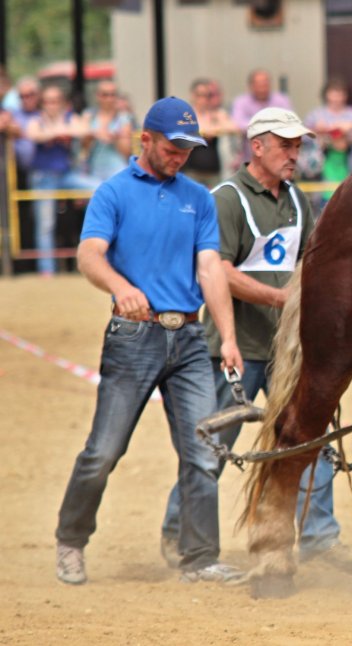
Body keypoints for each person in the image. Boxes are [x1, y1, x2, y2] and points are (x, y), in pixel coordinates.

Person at [159, 106, 352, 574]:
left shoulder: (297, 200)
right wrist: (280, 299)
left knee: (310, 438)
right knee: (213, 446)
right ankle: (178, 530)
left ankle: (319, 536)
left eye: (298, 146)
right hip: (236, 345)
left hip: (289, 350)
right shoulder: (226, 199)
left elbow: (311, 264)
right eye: (285, 146)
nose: (295, 155)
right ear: (257, 147)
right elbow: (219, 270)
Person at [54, 96, 244, 586]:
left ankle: (199, 558)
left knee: (202, 454)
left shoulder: (198, 198)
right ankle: (71, 540)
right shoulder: (113, 193)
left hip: (191, 340)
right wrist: (121, 287)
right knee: (104, 451)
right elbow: (89, 255)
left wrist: (227, 337)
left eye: (187, 149)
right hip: (133, 336)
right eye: (172, 147)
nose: (180, 156)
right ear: (146, 139)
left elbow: (210, 268)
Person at [25, 85, 98, 276]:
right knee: (46, 224)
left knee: (100, 189)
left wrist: (56, 131)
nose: (52, 105)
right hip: (43, 177)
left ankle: (98, 257)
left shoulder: (69, 117)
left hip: (66, 175)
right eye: (48, 101)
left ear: (63, 103)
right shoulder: (36, 119)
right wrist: (59, 132)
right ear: (43, 103)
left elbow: (84, 130)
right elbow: (33, 134)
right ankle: (47, 271)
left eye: (56, 101)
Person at [304, 78, 352, 205]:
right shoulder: (316, 115)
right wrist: (318, 131)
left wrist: (351, 130)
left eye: (340, 94)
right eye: (333, 93)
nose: (336, 98)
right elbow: (304, 137)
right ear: (326, 95)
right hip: (322, 171)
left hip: (349, 169)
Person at [182, 77, 238, 186]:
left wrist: (213, 128)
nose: (203, 100)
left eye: (207, 96)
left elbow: (234, 128)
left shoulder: (216, 114)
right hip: (191, 170)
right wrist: (207, 130)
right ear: (193, 96)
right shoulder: (186, 114)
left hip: (213, 171)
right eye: (200, 95)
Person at [231, 69, 293, 166]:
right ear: (251, 86)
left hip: (279, 159)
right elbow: (238, 124)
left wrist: (256, 126)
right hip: (250, 159)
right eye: (259, 85)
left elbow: (290, 122)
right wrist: (271, 125)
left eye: (265, 84)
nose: (262, 88)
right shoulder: (241, 102)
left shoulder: (281, 100)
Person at [79, 81, 134, 181]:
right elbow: (83, 147)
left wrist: (115, 138)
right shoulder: (88, 115)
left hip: (117, 168)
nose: (109, 99)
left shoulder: (124, 118)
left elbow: (126, 152)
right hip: (93, 169)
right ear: (97, 96)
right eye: (105, 95)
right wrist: (93, 135)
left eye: (112, 95)